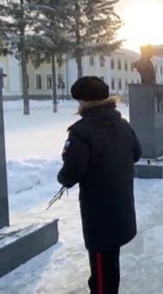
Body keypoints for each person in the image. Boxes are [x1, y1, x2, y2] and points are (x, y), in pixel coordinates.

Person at [57, 76, 142, 294]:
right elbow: (136, 154)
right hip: (121, 204)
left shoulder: (81, 132)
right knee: (110, 263)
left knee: (101, 273)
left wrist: (63, 177)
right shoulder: (123, 125)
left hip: (98, 211)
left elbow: (71, 174)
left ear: (84, 103)